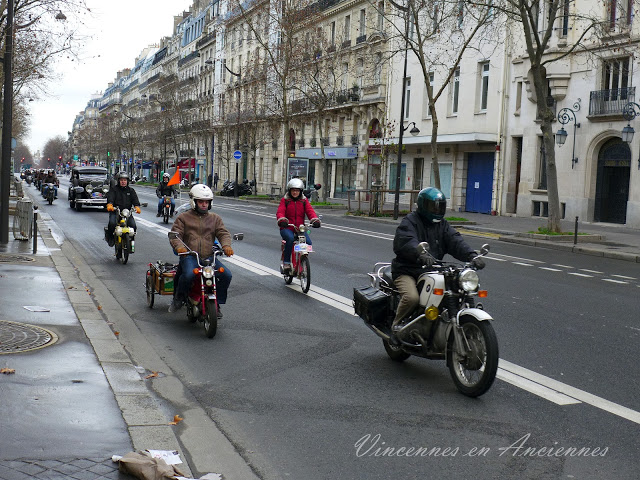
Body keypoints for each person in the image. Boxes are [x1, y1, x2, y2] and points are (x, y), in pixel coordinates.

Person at [390, 187, 485, 338]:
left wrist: (472, 255)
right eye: (432, 206)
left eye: (440, 206)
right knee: (412, 298)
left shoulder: (442, 225)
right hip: (407, 270)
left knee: (456, 291)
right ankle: (396, 329)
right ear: (422, 205)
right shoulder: (410, 222)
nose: (436, 209)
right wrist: (419, 253)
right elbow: (406, 240)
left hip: (433, 270)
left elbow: (455, 241)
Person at [168, 184, 234, 314]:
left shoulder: (215, 218)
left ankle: (217, 303)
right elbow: (175, 235)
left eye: (206, 202)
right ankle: (178, 298)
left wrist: (226, 245)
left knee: (226, 275)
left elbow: (223, 233)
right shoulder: (183, 218)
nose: (204, 204)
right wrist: (180, 247)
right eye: (201, 201)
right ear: (193, 201)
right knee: (188, 275)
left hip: (209, 256)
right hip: (190, 256)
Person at [276, 178, 321, 273]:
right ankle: (287, 262)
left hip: (300, 228)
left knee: (308, 242)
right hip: (287, 227)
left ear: (301, 191)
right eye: (293, 190)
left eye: (297, 190)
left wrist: (315, 220)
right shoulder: (285, 200)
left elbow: (310, 211)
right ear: (290, 190)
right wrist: (282, 220)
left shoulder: (304, 201)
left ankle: (302, 259)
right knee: (290, 239)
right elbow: (280, 211)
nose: (295, 192)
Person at [105, 172, 141, 248]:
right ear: (118, 181)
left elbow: (135, 200)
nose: (123, 182)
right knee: (112, 223)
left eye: (125, 180)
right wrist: (110, 204)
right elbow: (110, 197)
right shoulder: (114, 189)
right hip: (115, 211)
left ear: (127, 181)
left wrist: (137, 206)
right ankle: (110, 238)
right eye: (121, 180)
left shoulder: (131, 190)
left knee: (133, 225)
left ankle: (131, 241)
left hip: (127, 213)